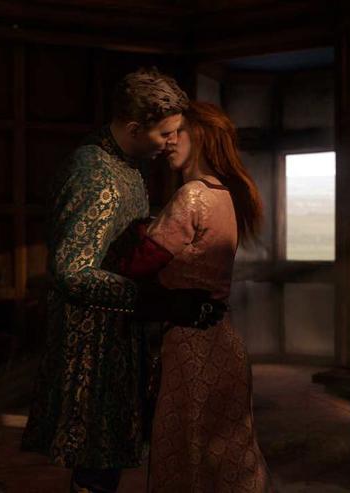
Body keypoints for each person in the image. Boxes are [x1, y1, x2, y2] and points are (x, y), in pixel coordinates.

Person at [20, 69, 225, 493]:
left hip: (117, 331)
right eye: (165, 133)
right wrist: (161, 301)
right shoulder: (95, 173)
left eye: (177, 131)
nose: (173, 141)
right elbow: (72, 271)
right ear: (133, 128)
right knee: (96, 462)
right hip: (90, 343)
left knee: (106, 460)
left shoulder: (127, 165)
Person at [114, 101, 273, 492]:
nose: (168, 142)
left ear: (200, 135)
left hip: (191, 346)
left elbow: (138, 264)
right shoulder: (225, 195)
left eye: (177, 132)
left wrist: (127, 233)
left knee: (187, 458)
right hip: (223, 342)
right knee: (229, 460)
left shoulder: (192, 196)